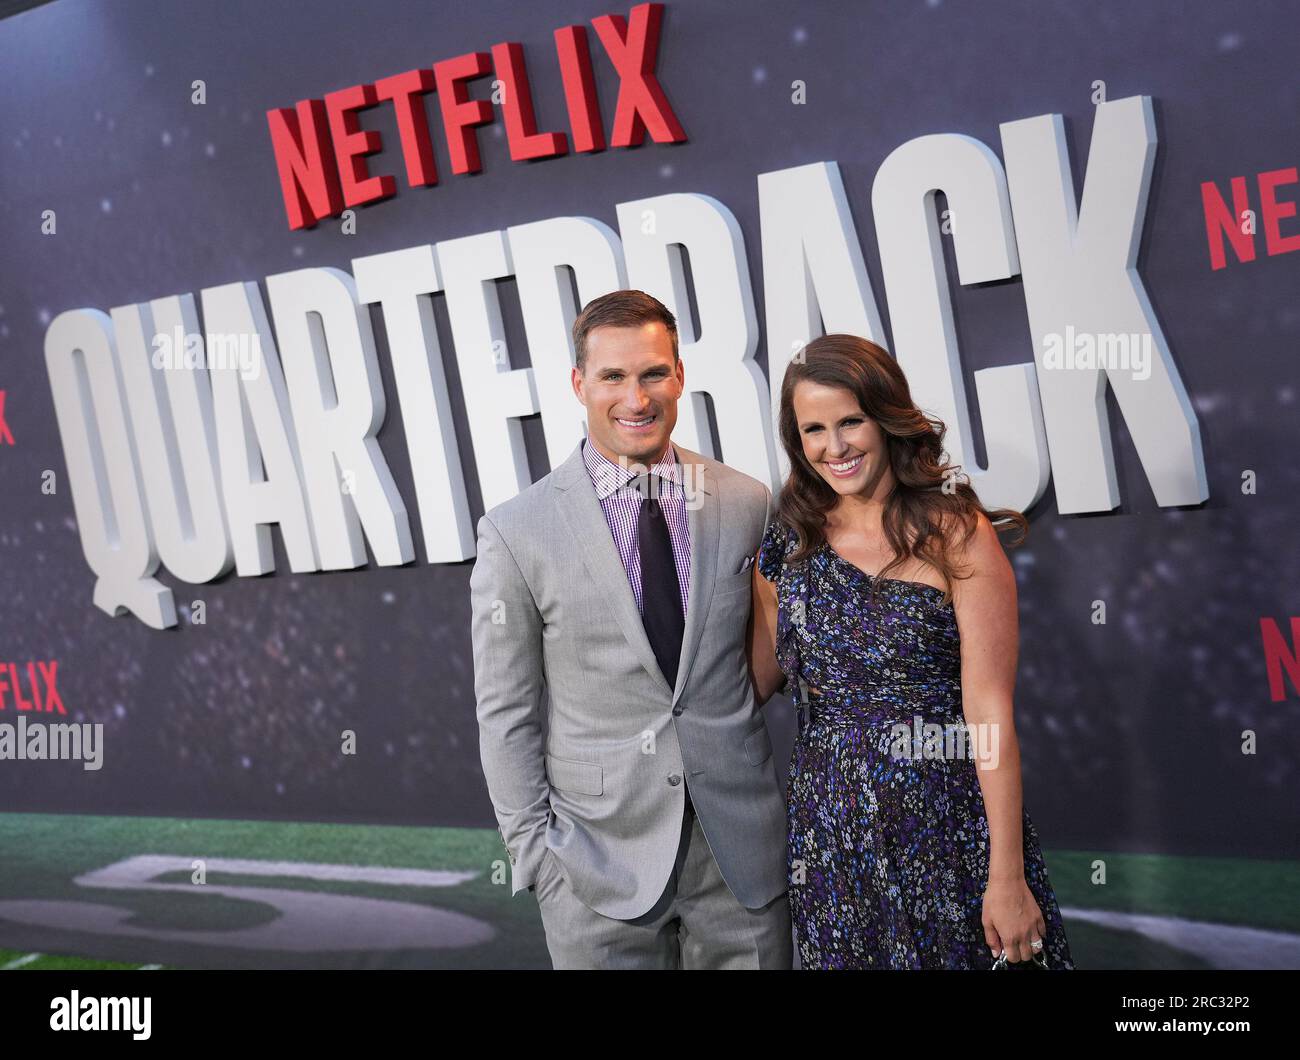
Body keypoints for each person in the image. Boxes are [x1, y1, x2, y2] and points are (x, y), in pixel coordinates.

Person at [471, 289, 791, 969]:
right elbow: (506, 711)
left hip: (739, 860)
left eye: (652, 373)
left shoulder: (744, 502)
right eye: (613, 377)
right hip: (595, 870)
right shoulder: (517, 528)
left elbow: (761, 662)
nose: (636, 397)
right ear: (579, 384)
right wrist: (538, 860)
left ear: (679, 375)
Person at [748, 333, 1075, 970]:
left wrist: (1005, 875)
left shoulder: (955, 532)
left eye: (850, 422)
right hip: (833, 832)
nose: (834, 447)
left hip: (949, 819)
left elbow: (988, 713)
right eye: (814, 429)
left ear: (886, 418)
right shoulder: (786, 545)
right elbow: (748, 687)